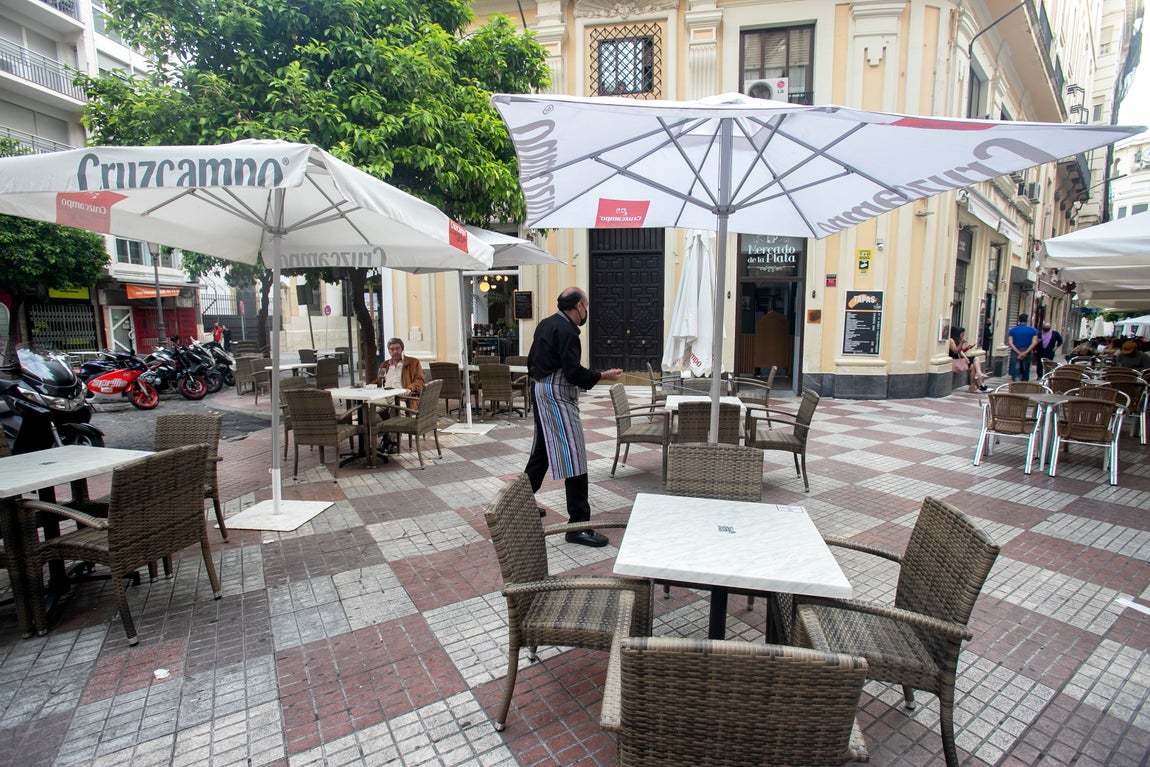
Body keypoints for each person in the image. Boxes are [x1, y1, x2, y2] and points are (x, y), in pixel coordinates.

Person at [524, 287, 623, 547]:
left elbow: (531, 361)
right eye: (586, 306)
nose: (586, 311)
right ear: (579, 306)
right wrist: (603, 375)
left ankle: (522, 504)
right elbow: (573, 373)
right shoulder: (568, 330)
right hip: (556, 395)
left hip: (540, 390)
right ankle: (578, 525)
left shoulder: (546, 323)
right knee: (574, 454)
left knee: (543, 451)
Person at [374, 337, 425, 454]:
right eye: (392, 349)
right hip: (384, 395)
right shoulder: (385, 364)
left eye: (397, 348)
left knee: (396, 409)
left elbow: (420, 380)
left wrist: (409, 388)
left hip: (402, 396)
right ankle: (385, 435)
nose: (395, 352)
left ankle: (393, 442)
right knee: (368, 408)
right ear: (388, 351)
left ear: (402, 349)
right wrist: (367, 387)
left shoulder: (412, 362)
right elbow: (378, 381)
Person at [948, 327, 987, 392]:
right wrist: (962, 343)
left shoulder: (958, 341)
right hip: (956, 361)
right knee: (976, 358)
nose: (963, 336)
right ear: (957, 334)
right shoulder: (951, 340)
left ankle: (973, 386)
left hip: (960, 360)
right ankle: (979, 377)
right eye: (962, 334)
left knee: (972, 367)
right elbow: (955, 351)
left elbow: (961, 351)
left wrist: (967, 352)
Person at [1007, 314, 1040, 382]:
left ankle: (1015, 384)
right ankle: (1023, 385)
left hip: (1015, 351)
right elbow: (1035, 342)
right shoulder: (1033, 330)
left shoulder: (1012, 330)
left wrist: (1018, 352)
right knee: (1025, 370)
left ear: (1019, 320)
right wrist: (1025, 352)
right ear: (1027, 320)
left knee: (1015, 370)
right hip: (1027, 351)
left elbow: (1010, 343)